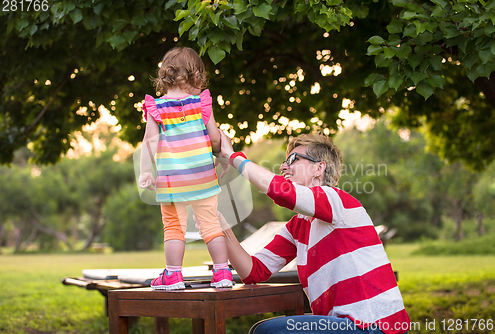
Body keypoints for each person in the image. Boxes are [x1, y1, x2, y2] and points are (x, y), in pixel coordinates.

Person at [214, 131, 411, 333]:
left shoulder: (337, 201)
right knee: (265, 329)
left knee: (270, 331)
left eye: (293, 159)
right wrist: (221, 228)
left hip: (375, 325)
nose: (284, 167)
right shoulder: (297, 227)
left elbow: (281, 191)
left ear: (319, 168)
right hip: (346, 325)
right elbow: (253, 271)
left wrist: (233, 156)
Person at [138, 47, 232, 290]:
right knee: (211, 225)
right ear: (197, 77)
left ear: (164, 77)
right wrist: (222, 158)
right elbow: (214, 138)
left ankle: (173, 276)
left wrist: (145, 171)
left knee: (173, 228)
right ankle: (222, 273)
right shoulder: (202, 104)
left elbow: (149, 141)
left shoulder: (157, 107)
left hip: (171, 182)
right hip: (203, 178)